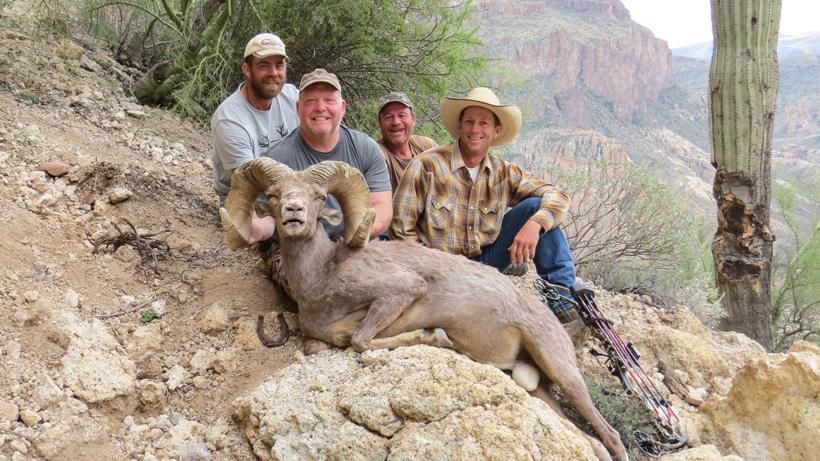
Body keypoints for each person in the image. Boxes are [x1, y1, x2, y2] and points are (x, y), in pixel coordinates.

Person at [390, 87, 584, 335]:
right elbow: (400, 231)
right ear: (460, 126)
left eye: (484, 123)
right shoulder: (426, 166)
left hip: (486, 264)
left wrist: (535, 225)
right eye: (469, 122)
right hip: (439, 271)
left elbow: (559, 195)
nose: (475, 129)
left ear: (496, 131)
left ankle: (565, 307)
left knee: (537, 208)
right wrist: (430, 273)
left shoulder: (503, 172)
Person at [211, 32, 298, 239]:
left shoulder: (292, 96)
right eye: (264, 65)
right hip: (249, 197)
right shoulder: (229, 118)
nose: (273, 73)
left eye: (279, 65)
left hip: (292, 190)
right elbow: (251, 182)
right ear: (247, 70)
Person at [375, 92, 437, 190]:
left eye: (402, 115)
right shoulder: (376, 153)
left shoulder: (427, 146)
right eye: (388, 117)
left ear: (413, 120)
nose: (396, 122)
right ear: (380, 122)